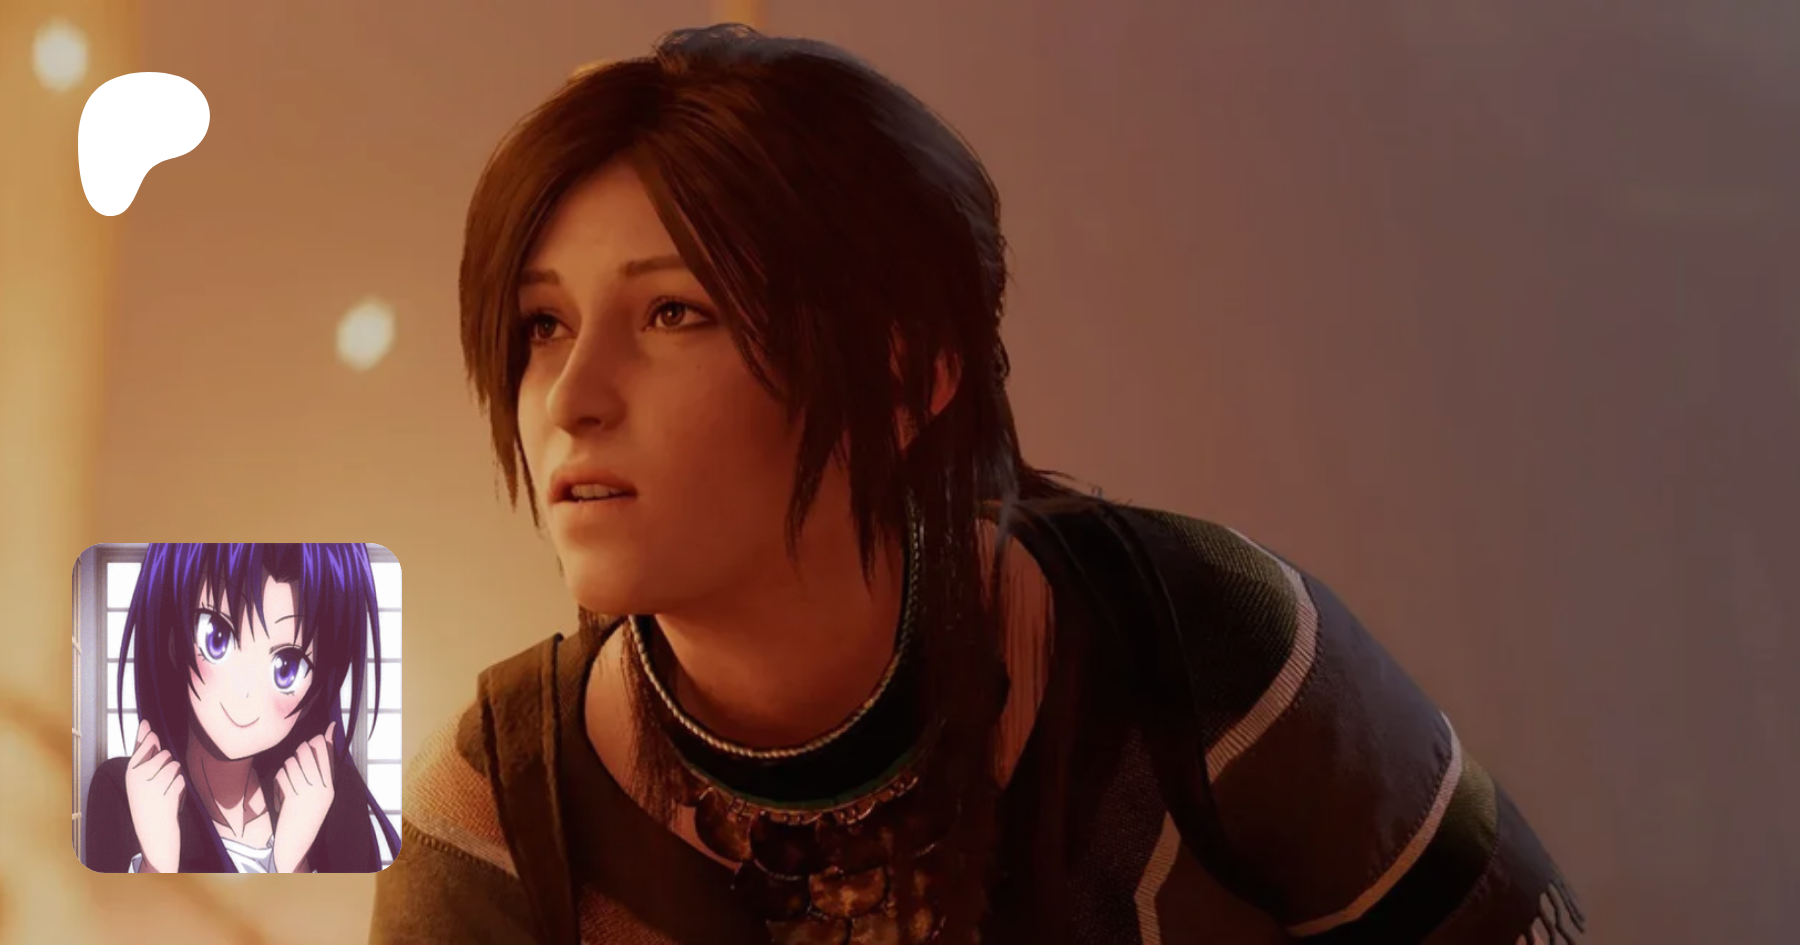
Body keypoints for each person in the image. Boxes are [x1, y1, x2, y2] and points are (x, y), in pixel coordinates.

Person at [372, 24, 1583, 944]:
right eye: (542, 325)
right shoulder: (496, 812)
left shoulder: (1209, 648)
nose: (572, 395)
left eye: (674, 312)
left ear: (910, 374)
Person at [84, 543, 399, 873]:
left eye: (287, 667)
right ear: (174, 640)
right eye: (217, 636)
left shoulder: (333, 798)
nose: (245, 694)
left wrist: (294, 863)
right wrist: (155, 866)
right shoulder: (124, 792)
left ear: (316, 689)